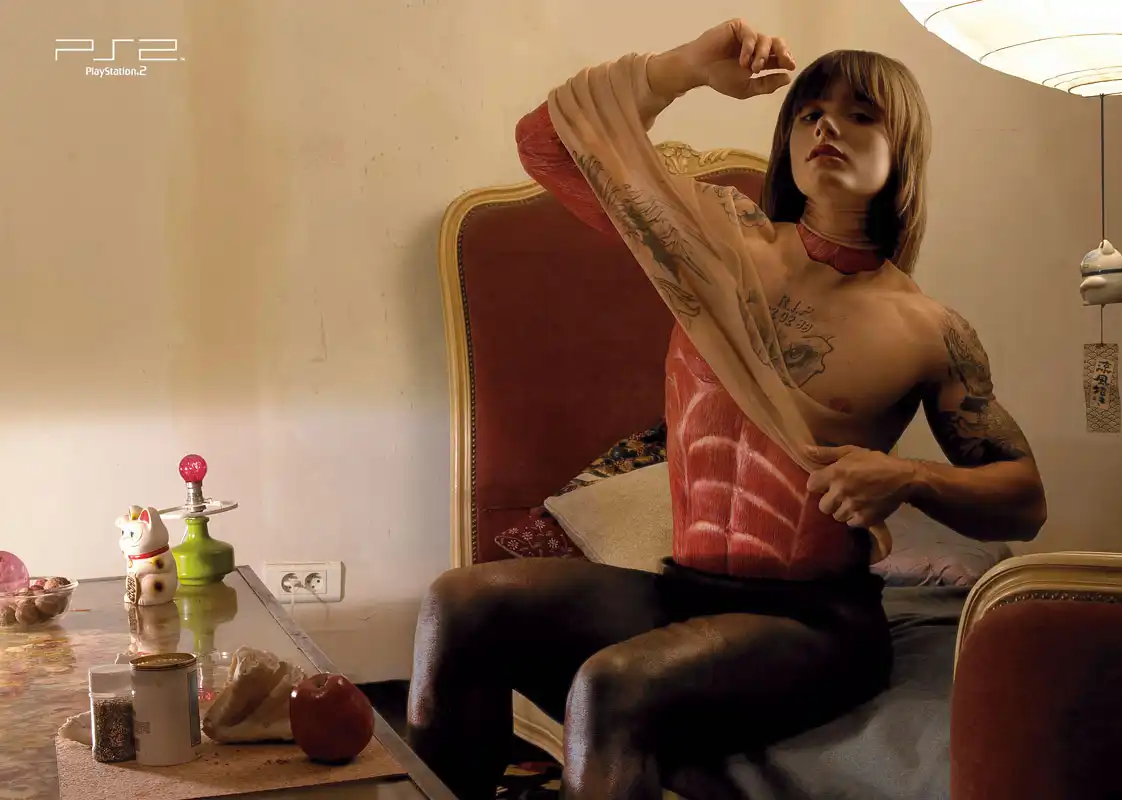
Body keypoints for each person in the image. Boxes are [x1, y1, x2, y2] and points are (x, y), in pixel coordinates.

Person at [406, 19, 1046, 800]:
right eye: (809, 112)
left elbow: (1022, 500)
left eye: (859, 114)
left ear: (902, 147)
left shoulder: (929, 329)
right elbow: (545, 143)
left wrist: (908, 477)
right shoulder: (713, 241)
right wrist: (684, 67)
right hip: (684, 590)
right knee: (461, 600)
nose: (826, 128)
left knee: (613, 685)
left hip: (815, 625)